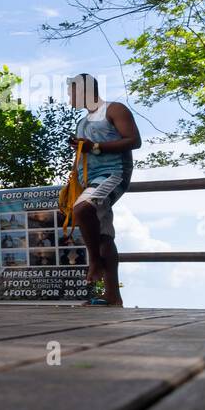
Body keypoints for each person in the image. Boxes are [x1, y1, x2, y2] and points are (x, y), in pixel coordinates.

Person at [68, 73, 140, 306]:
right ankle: (113, 296)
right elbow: (83, 153)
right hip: (89, 180)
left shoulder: (114, 109)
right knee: (103, 234)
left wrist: (96, 146)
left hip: (113, 173)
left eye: (72, 92)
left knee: (82, 210)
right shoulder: (83, 121)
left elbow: (134, 140)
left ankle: (95, 262)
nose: (69, 97)